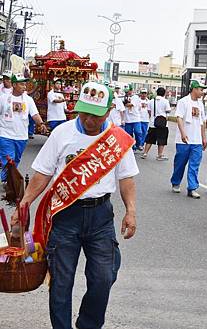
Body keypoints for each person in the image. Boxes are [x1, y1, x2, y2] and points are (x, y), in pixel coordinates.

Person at [11, 81, 138, 329]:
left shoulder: (117, 140)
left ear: (109, 110)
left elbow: (126, 178)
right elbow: (42, 173)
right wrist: (24, 205)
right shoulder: (63, 133)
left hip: (101, 215)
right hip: (65, 214)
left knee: (104, 276)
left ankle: (88, 324)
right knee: (60, 280)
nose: (89, 119)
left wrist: (131, 211)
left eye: (95, 114)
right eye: (84, 111)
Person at [0, 73, 48, 182]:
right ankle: (7, 181)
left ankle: (8, 179)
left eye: (25, 84)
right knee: (8, 160)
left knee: (16, 160)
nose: (24, 87)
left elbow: (35, 114)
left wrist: (41, 124)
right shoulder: (3, 98)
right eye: (22, 84)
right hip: (5, 135)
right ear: (14, 85)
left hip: (21, 136)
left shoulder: (28, 100)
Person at [170, 80, 207, 198]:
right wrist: (182, 133)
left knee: (194, 165)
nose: (202, 92)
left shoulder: (200, 104)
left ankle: (192, 188)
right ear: (194, 89)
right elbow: (179, 118)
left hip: (196, 141)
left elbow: (202, 122)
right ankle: (176, 182)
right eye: (201, 90)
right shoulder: (183, 101)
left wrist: (204, 138)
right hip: (184, 140)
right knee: (180, 163)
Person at [143, 87, 171, 160]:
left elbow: (149, 111)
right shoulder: (165, 101)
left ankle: (145, 153)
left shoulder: (151, 101)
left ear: (157, 93)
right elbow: (168, 110)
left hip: (153, 122)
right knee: (162, 139)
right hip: (162, 123)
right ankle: (159, 155)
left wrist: (153, 116)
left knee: (150, 139)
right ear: (164, 93)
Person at [123, 85, 143, 151]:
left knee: (138, 132)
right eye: (126, 91)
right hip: (127, 119)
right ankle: (132, 146)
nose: (127, 92)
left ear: (131, 90)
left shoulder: (135, 97)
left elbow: (131, 104)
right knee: (129, 134)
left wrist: (123, 103)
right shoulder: (124, 97)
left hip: (136, 118)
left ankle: (139, 144)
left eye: (128, 91)